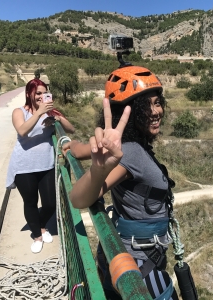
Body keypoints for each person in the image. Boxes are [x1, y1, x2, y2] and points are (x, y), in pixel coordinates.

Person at [67, 65, 178, 299]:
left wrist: (71, 146)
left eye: (157, 102)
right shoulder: (131, 153)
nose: (156, 111)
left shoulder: (127, 147)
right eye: (145, 106)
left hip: (127, 257)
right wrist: (98, 170)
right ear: (127, 114)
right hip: (141, 264)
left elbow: (79, 150)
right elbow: (79, 198)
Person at [6, 78, 75, 254]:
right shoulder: (19, 112)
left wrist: (57, 117)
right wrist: (38, 114)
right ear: (29, 93)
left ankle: (42, 224)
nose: (41, 96)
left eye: (45, 93)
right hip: (24, 166)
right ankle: (37, 235)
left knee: (50, 203)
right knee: (30, 202)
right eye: (38, 93)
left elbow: (71, 129)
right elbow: (22, 130)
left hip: (46, 165)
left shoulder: (49, 113)